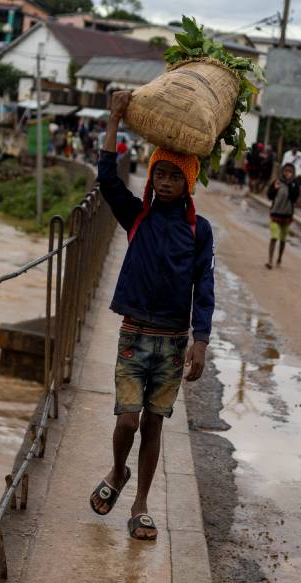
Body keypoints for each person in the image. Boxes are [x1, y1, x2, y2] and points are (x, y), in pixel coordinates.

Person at [88, 90, 215, 541]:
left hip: (173, 341)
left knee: (155, 424)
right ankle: (118, 471)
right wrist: (114, 120)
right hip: (133, 334)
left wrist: (201, 340)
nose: (163, 182)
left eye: (173, 176)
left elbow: (205, 285)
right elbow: (105, 178)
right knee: (127, 419)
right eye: (158, 174)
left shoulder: (199, 231)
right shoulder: (136, 215)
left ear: (187, 183)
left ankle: (140, 503)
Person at [266, 163, 301, 269]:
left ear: (293, 173)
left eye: (290, 171)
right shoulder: (277, 181)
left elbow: (295, 198)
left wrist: (291, 185)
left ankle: (279, 259)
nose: (288, 173)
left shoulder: (295, 184)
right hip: (275, 213)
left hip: (287, 215)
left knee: (283, 239)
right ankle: (270, 261)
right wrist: (275, 188)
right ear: (283, 171)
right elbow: (269, 196)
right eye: (286, 171)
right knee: (274, 237)